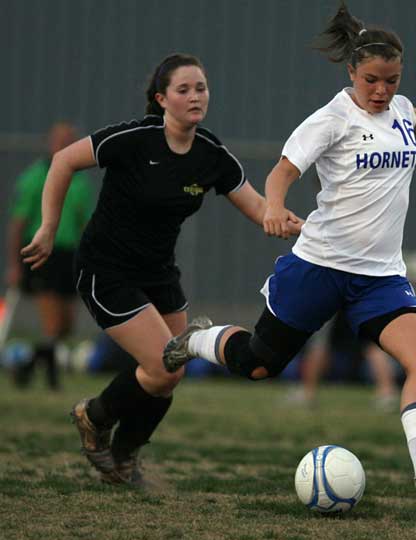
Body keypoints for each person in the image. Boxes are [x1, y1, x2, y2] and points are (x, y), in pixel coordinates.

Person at [162, 3, 416, 500]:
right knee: (259, 364)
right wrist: (272, 206)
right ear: (352, 70)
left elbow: (411, 115)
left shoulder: (400, 106)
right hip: (320, 266)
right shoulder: (330, 120)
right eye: (372, 80)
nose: (381, 91)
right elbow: (281, 172)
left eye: (392, 80)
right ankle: (198, 339)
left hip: (379, 276)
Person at [21, 53, 302, 486]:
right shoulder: (135, 138)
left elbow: (258, 207)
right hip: (106, 269)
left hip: (158, 275)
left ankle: (122, 459)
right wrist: (49, 227)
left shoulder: (211, 155)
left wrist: (292, 222)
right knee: (163, 366)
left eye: (201, 88)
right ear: (161, 98)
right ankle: (93, 416)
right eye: (183, 89)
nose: (195, 96)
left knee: (172, 375)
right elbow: (62, 162)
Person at [5, 122, 93, 389]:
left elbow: (83, 223)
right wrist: (14, 265)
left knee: (67, 324)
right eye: (60, 140)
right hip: (42, 254)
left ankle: (27, 364)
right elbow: (18, 223)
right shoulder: (34, 178)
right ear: (50, 143)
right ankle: (53, 380)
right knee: (52, 322)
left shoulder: (80, 181)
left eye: (70, 140)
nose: (65, 144)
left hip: (69, 255)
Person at [289, 311, 399, 411]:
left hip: (332, 292)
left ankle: (308, 392)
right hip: (360, 292)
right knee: (370, 341)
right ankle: (387, 392)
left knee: (320, 340)